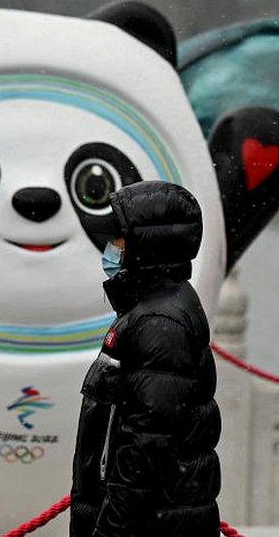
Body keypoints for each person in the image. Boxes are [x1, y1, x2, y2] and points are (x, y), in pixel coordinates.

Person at [71, 181, 220, 537]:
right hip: (160, 518)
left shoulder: (157, 322)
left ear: (147, 245)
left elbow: (145, 445)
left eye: (119, 238)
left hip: (151, 524)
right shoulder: (153, 308)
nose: (110, 249)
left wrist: (111, 529)